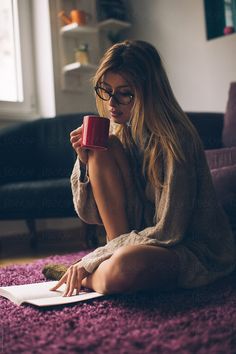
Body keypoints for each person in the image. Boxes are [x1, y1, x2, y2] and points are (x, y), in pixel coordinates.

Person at [50, 40, 235, 297]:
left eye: (124, 93)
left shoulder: (176, 139)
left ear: (150, 92)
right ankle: (106, 266)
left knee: (127, 266)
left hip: (187, 247)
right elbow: (89, 215)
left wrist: (93, 258)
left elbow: (169, 232)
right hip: (134, 240)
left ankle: (91, 275)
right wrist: (84, 161)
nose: (112, 102)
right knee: (102, 146)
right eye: (106, 90)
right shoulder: (118, 133)